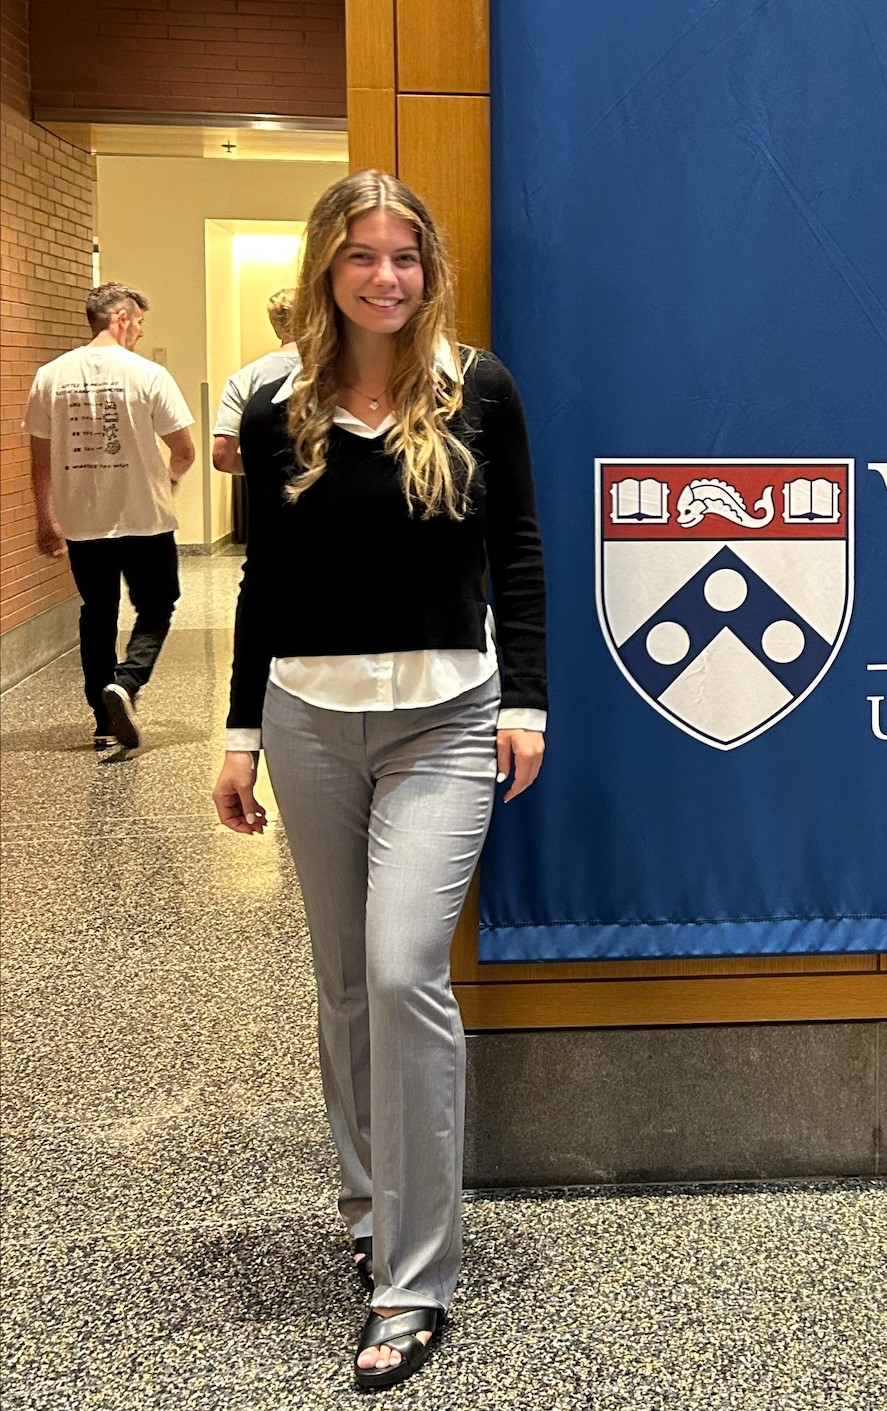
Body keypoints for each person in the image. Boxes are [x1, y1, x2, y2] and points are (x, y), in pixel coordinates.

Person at [210, 169, 547, 1392]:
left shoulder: (478, 388)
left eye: (406, 255)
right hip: (307, 721)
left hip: (445, 722)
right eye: (363, 256)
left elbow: (516, 547)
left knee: (405, 972)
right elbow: (261, 580)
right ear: (326, 268)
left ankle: (413, 1281)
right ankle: (368, 1202)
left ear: (428, 267)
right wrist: (239, 733)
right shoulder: (275, 404)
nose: (386, 276)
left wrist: (529, 700)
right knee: (345, 980)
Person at [27, 283, 197, 753]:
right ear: (121, 317)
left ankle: (103, 721)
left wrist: (46, 518)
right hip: (145, 517)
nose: (141, 332)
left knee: (97, 613)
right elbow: (184, 450)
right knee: (158, 605)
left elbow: (40, 461)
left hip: (82, 520)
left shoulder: (50, 376)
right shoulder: (149, 374)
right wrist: (169, 481)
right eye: (139, 322)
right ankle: (127, 681)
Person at [212, 286, 300, 475]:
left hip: (268, 498)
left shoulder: (243, 379)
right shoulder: (339, 372)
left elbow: (222, 456)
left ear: (275, 326)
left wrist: (264, 471)